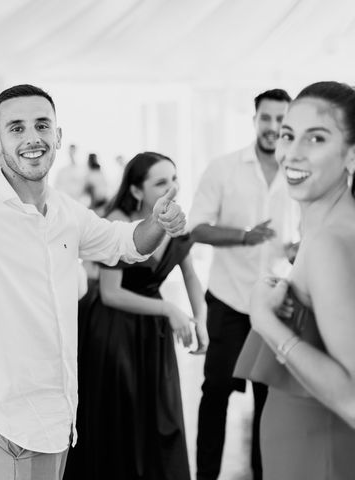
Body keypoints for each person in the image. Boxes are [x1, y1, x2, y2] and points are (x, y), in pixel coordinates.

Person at [0, 84, 186, 480]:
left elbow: (125, 245)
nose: (32, 138)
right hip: (6, 421)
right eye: (16, 128)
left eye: (42, 125)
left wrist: (157, 221)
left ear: (58, 136)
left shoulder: (68, 211)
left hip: (59, 414)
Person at [235, 81, 355, 479]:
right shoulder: (327, 231)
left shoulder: (329, 244)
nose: (293, 152)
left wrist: (264, 321)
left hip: (319, 456)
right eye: (289, 135)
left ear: (351, 154)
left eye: (316, 137)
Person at [64, 152, 208, 480]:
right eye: (161, 182)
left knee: (159, 415)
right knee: (121, 418)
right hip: (113, 329)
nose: (173, 187)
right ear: (137, 192)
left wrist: (200, 317)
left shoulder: (175, 219)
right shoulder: (117, 219)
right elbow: (111, 293)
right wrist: (169, 309)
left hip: (150, 332)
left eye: (174, 178)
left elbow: (190, 274)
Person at [190, 88, 298, 480]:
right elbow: (195, 228)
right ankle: (204, 476)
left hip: (276, 303)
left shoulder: (299, 170)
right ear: (254, 120)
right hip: (229, 301)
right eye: (266, 118)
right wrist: (244, 235)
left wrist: (300, 248)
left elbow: (296, 237)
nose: (273, 127)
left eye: (281, 119)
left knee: (269, 402)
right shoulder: (223, 168)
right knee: (216, 393)